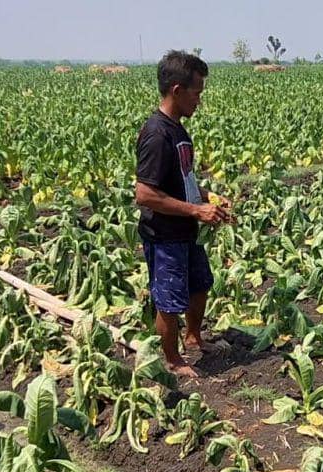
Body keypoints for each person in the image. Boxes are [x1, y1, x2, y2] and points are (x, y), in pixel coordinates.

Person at [134, 50, 232, 378]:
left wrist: (210, 198)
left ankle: (193, 336)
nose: (199, 101)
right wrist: (195, 210)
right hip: (164, 235)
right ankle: (171, 360)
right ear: (177, 91)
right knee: (168, 300)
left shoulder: (178, 130)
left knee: (200, 284)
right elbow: (145, 194)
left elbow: (184, 178)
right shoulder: (157, 134)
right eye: (197, 93)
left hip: (186, 229)